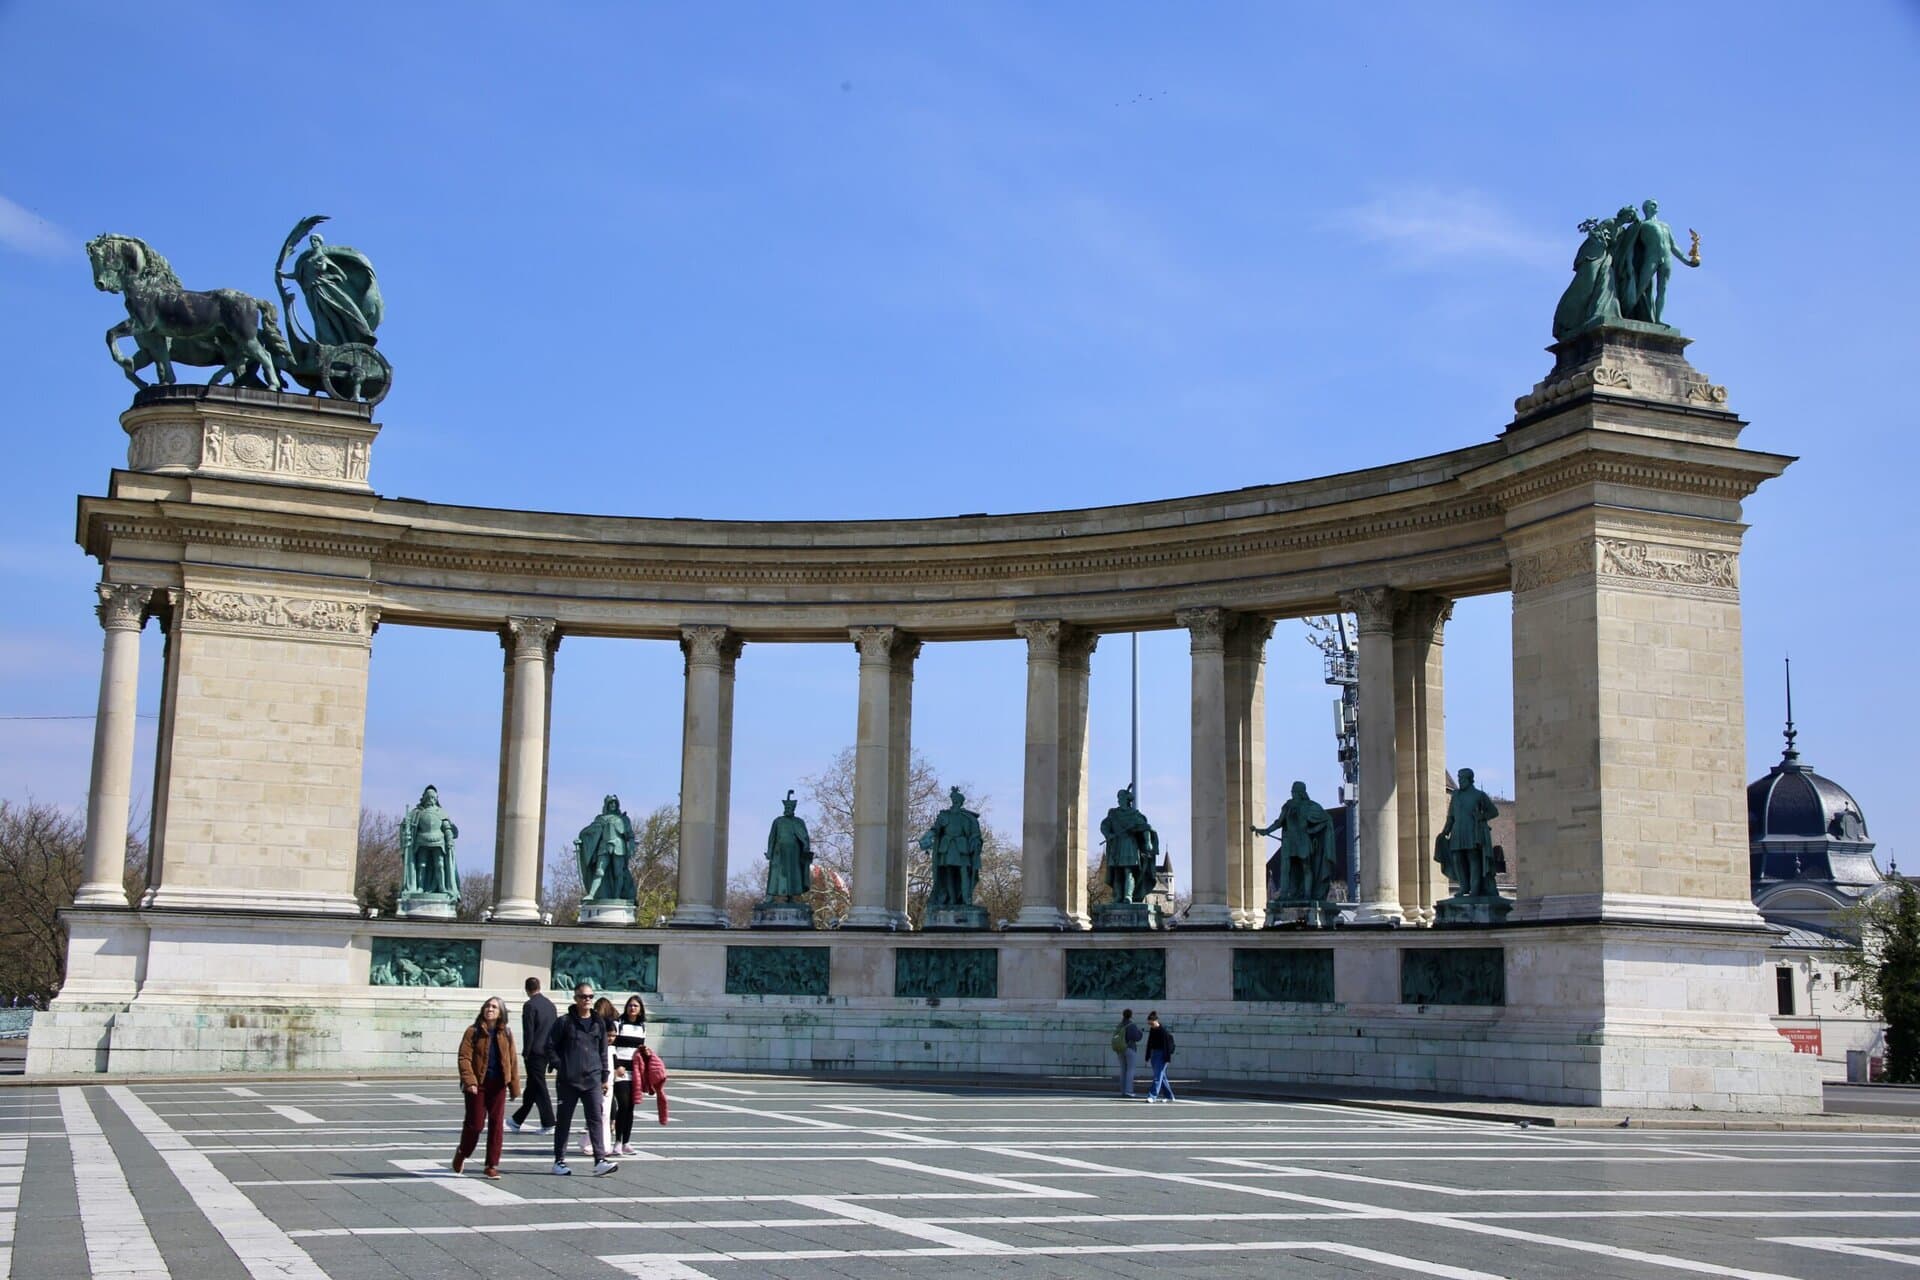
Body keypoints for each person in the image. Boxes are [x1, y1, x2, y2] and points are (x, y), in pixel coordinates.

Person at [545, 981, 618, 1176]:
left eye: (590, 997)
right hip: (568, 1080)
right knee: (564, 1121)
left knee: (596, 1118)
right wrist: (561, 1065)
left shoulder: (598, 1023)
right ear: (575, 998)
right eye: (583, 996)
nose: (587, 1000)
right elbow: (550, 1045)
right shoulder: (564, 1022)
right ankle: (559, 1161)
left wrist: (604, 1076)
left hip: (592, 1079)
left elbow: (603, 1051)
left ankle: (600, 1159)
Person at [451, 996, 521, 1179]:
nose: (490, 1009)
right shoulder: (472, 1032)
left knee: (497, 1125)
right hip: (478, 1085)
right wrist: (470, 1081)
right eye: (488, 1006)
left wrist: (514, 1086)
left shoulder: (506, 1033)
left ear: (500, 1013)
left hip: (498, 1085)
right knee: (475, 1124)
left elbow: (512, 1060)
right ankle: (462, 1152)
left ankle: (491, 1164)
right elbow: (464, 1058)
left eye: (494, 1007)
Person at [507, 976, 556, 1133]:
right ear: (539, 986)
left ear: (526, 989)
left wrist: (526, 1052)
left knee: (539, 1086)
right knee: (532, 1086)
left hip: (535, 1051)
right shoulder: (550, 1005)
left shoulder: (529, 1005)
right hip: (547, 1050)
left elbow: (529, 1031)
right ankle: (517, 1120)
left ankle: (549, 1122)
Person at [1099, 787, 1160, 904]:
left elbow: (1145, 827)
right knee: (1117, 872)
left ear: (1126, 799)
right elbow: (1104, 826)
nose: (1118, 800)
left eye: (1120, 797)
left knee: (1128, 871)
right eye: (1118, 798)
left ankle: (1128, 896)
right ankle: (1118, 896)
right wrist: (1108, 834)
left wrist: (1148, 842)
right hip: (1116, 844)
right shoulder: (1113, 814)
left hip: (1129, 844)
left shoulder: (1135, 815)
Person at [610, 996, 648, 1156]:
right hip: (621, 1071)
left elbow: (640, 1048)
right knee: (623, 1105)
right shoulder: (618, 1024)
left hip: (635, 1071)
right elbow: (611, 1045)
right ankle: (617, 1141)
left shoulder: (642, 1027)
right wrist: (617, 1065)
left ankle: (626, 1141)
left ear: (640, 1010)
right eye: (630, 1005)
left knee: (631, 1107)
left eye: (636, 1006)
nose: (632, 1008)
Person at [581, 997, 618, 1157]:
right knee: (600, 1112)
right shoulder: (601, 1047)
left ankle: (600, 1144)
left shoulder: (611, 1049)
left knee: (604, 1113)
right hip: (599, 1080)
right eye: (608, 1035)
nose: (610, 1038)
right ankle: (596, 1144)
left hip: (607, 1082)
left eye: (613, 1035)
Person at [1144, 1011, 1176, 1103]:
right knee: (1162, 1076)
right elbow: (1149, 1043)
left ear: (1156, 1021)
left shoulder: (1163, 1032)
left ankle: (1152, 1096)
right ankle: (1169, 1096)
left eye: (1152, 1023)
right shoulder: (1152, 1030)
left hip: (1162, 1054)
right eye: (1149, 1024)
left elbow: (1167, 1047)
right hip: (1155, 1054)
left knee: (1158, 1076)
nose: (1151, 1025)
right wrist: (1147, 1056)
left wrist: (1167, 1059)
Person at [1112, 1008, 1144, 1098]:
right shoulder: (1131, 1025)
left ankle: (1123, 1090)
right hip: (1129, 1048)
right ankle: (1129, 1091)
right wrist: (1141, 1032)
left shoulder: (1120, 1024)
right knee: (1130, 1070)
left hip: (1120, 1049)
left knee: (1123, 1070)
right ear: (1131, 1015)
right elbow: (1136, 1037)